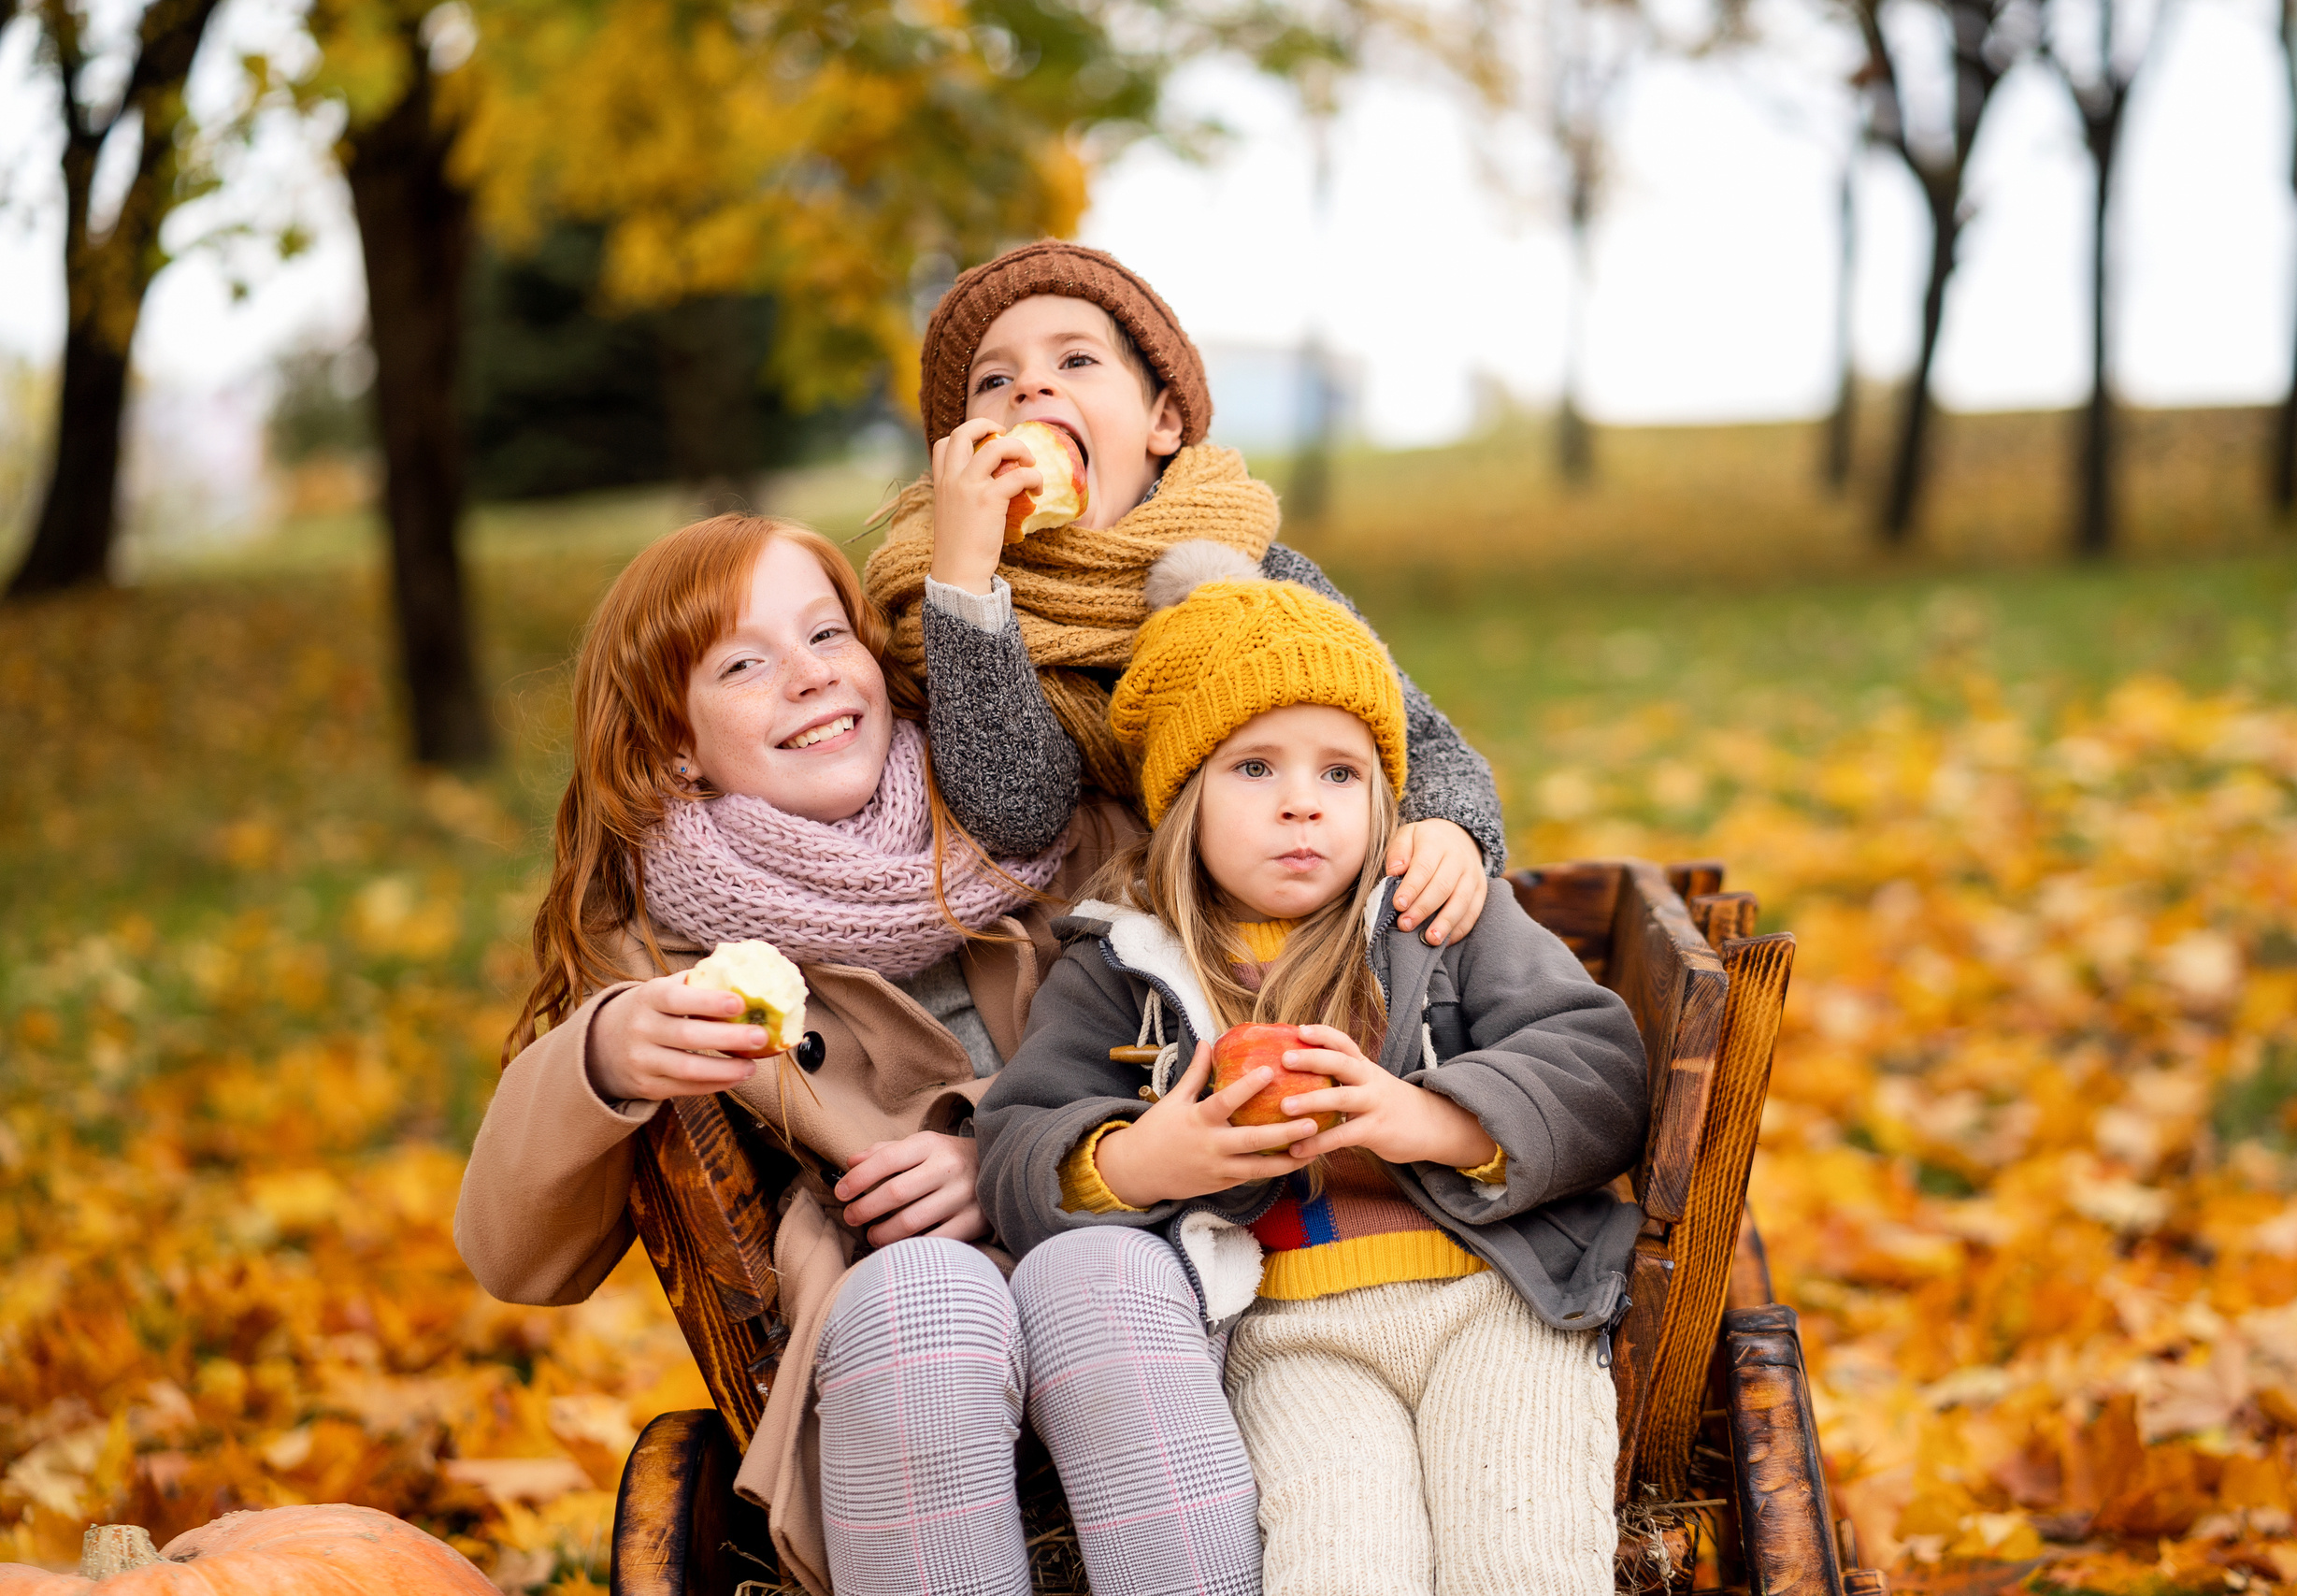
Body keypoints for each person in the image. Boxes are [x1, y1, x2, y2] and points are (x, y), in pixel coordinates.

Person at [456, 515, 1264, 1596]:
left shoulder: (1031, 819)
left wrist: (1009, 1149)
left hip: (1128, 1238)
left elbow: (1208, 999)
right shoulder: (668, 952)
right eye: (744, 663)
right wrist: (597, 1057)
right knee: (923, 1294)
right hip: (899, 1336)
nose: (806, 678)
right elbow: (517, 1259)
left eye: (826, 635)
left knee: (1100, 1272)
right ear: (672, 747)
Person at [974, 542, 1652, 1596]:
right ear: (1181, 798)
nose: (1304, 803)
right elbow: (1016, 1145)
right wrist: (1147, 1159)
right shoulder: (1123, 962)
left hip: (1496, 1302)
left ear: (1384, 789)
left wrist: (1430, 1120)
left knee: (1519, 1556)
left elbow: (1598, 1065)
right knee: (1340, 1568)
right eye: (1255, 768)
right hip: (1289, 1337)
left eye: (1340, 772)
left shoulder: (1439, 916)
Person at [863, 239, 1504, 951]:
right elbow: (1016, 812)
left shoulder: (1253, 576)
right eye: (993, 380)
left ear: (1162, 423)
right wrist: (965, 578)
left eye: (1075, 360)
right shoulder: (943, 609)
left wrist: (1451, 826)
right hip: (1098, 980)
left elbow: (1430, 748)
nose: (1029, 388)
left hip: (1300, 945)